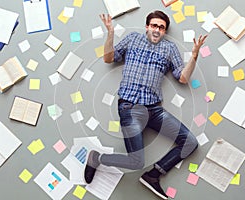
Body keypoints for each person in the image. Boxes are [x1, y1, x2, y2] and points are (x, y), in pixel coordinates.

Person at [84, 10, 207, 199]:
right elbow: (109, 58)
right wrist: (110, 34)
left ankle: (153, 175)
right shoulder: (133, 38)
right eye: (154, 25)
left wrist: (195, 56)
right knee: (135, 162)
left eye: (162, 27)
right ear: (147, 26)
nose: (157, 29)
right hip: (130, 108)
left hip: (154, 110)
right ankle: (96, 158)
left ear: (164, 31)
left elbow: (182, 78)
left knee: (190, 142)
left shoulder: (170, 49)